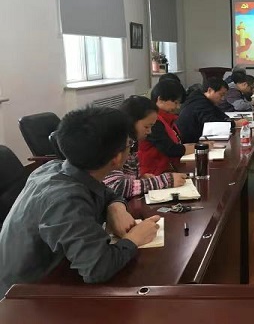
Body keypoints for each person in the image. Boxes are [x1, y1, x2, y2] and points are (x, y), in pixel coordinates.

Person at [0, 107, 161, 295]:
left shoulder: (56, 167)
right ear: (117, 158)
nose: (131, 148)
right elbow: (97, 269)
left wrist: (116, 207)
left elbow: (107, 192)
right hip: (23, 296)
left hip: (56, 270)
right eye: (129, 145)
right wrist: (134, 239)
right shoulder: (66, 200)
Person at [103, 96, 187, 200]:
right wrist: (164, 181)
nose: (149, 131)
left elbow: (126, 179)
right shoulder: (113, 145)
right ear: (131, 122)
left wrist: (140, 180)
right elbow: (117, 187)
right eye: (146, 127)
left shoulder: (132, 143)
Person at [138, 80, 195, 176]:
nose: (178, 107)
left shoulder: (167, 119)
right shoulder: (153, 122)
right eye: (175, 102)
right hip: (154, 173)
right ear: (160, 99)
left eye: (179, 103)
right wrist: (199, 147)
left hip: (168, 170)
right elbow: (170, 149)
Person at [177, 77, 243, 144]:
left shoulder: (203, 99)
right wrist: (234, 124)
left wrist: (231, 121)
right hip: (189, 142)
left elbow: (219, 114)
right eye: (221, 95)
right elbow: (211, 123)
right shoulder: (200, 103)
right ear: (210, 90)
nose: (223, 98)